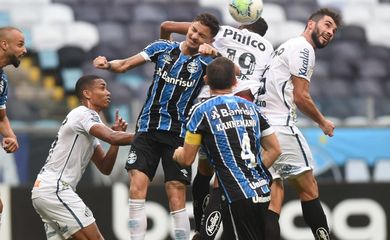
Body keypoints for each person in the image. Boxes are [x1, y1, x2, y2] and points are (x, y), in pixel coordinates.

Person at [93, 13, 220, 240]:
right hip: (147, 129)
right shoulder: (162, 47)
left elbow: (235, 74)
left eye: (202, 35)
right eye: (193, 30)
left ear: (208, 41)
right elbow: (124, 65)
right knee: (136, 187)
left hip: (178, 133)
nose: (194, 36)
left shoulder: (207, 63)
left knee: (176, 191)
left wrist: (217, 54)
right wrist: (108, 64)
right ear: (189, 28)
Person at [160, 17, 274, 239]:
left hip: (206, 110)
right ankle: (205, 234)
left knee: (205, 170)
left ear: (241, 25)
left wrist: (172, 53)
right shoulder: (267, 48)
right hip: (243, 109)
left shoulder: (223, 32)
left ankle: (201, 231)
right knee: (229, 176)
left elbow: (168, 27)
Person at [255, 8, 342, 239]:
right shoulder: (304, 49)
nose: (330, 32)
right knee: (309, 188)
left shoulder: (285, 46)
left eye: (334, 30)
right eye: (327, 25)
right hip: (280, 127)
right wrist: (322, 122)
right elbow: (301, 97)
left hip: (260, 128)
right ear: (310, 24)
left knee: (275, 194)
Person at [173, 57, 281, 240]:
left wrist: (177, 154)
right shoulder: (252, 108)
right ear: (234, 81)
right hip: (262, 191)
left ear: (206, 81)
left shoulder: (200, 111)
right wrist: (251, 171)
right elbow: (275, 150)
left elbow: (187, 159)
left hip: (236, 196)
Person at [31, 75, 135, 240]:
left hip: (45, 191)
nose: (108, 92)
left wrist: (116, 142)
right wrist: (148, 136)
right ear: (87, 93)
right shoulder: (84, 114)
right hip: (56, 189)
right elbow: (111, 136)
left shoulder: (86, 127)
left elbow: (105, 167)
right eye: (102, 87)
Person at [0, 26, 27, 229]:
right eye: (20, 44)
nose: (24, 50)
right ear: (4, 44)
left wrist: (12, 136)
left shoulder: (2, 80)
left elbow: (1, 118)